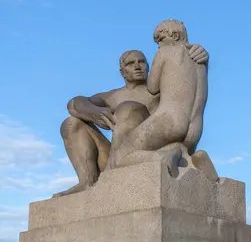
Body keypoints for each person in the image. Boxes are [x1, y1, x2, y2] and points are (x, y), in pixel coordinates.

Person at [55, 45, 207, 197]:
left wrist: (198, 59)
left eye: (142, 62)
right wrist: (94, 112)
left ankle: (127, 167)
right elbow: (75, 103)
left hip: (146, 152)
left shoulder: (160, 91)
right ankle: (87, 181)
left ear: (149, 66)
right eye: (131, 63)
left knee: (128, 109)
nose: (137, 66)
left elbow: (188, 99)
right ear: (122, 72)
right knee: (71, 124)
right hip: (112, 161)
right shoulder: (114, 96)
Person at [106, 20, 208, 170]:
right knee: (173, 146)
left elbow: (153, 87)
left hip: (170, 120)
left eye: (160, 40)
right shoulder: (200, 62)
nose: (158, 45)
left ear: (173, 35)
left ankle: (162, 156)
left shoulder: (164, 52)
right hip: (195, 129)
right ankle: (193, 161)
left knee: (119, 158)